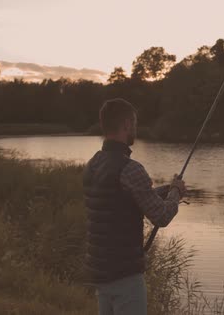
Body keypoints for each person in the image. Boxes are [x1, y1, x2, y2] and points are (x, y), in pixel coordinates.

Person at [82, 98, 186, 315]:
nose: (135, 129)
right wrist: (176, 193)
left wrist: (164, 189)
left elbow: (120, 201)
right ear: (127, 124)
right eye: (135, 123)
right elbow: (161, 216)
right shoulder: (131, 168)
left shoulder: (93, 164)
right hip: (125, 277)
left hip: (101, 274)